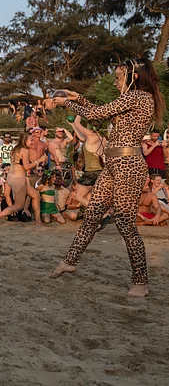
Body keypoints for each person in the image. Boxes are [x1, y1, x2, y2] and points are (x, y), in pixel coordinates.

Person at [49, 58, 164, 297]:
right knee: (91, 214)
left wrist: (69, 102)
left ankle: (141, 281)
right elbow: (100, 116)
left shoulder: (137, 97)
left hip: (128, 166)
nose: (115, 83)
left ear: (132, 77)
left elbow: (95, 114)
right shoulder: (133, 100)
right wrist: (77, 97)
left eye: (118, 77)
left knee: (124, 223)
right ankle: (70, 261)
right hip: (114, 164)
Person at [0, 132, 41, 225]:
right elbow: (26, 167)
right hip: (19, 179)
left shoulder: (14, 149)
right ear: (25, 141)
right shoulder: (24, 151)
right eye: (31, 140)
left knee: (35, 195)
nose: (32, 142)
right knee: (19, 205)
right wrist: (38, 161)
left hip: (11, 177)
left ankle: (38, 221)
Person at [71, 117, 105, 213]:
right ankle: (99, 214)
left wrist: (79, 108)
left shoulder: (91, 136)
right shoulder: (102, 138)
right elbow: (82, 139)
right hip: (99, 172)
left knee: (79, 197)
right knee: (87, 197)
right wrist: (73, 127)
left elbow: (77, 122)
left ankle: (100, 213)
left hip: (91, 172)